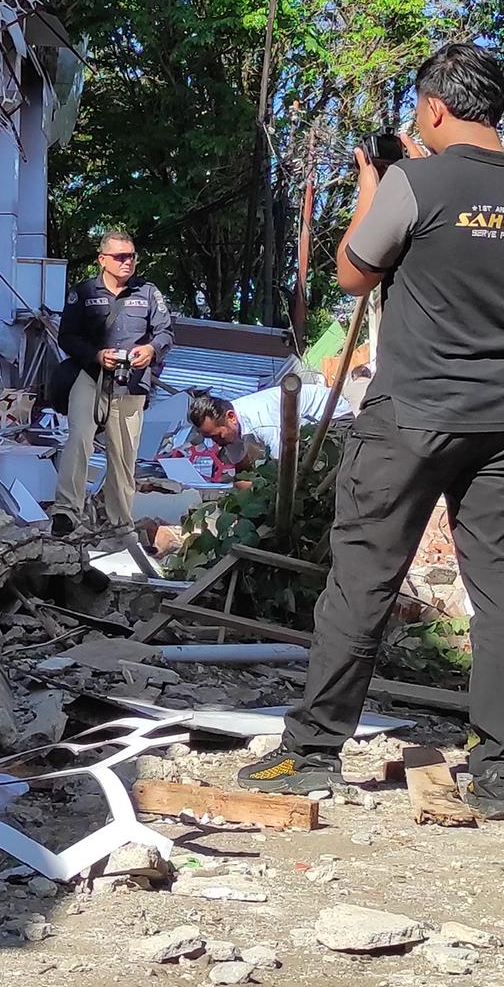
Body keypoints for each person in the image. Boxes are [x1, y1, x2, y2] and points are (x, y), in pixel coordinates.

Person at [237, 42, 504, 815]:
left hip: (410, 418)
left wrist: (373, 185)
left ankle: (314, 751)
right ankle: (498, 769)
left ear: (434, 108)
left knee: (362, 583)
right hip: (499, 425)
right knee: (498, 593)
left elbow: (354, 273)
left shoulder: (416, 182)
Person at [52, 229, 173, 538]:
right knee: (78, 439)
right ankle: (66, 513)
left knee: (123, 455)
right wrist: (96, 355)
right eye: (120, 257)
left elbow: (165, 333)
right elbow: (66, 335)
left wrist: (150, 349)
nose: (127, 262)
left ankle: (119, 524)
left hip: (131, 383)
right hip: (92, 376)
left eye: (131, 256)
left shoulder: (148, 293)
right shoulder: (83, 293)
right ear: (102, 260)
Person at [187, 384, 353, 469]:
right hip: (309, 426)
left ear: (231, 417)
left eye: (217, 436)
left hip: (334, 416)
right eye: (211, 438)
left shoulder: (261, 421)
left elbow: (284, 465)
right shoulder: (229, 430)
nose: (216, 442)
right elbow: (241, 469)